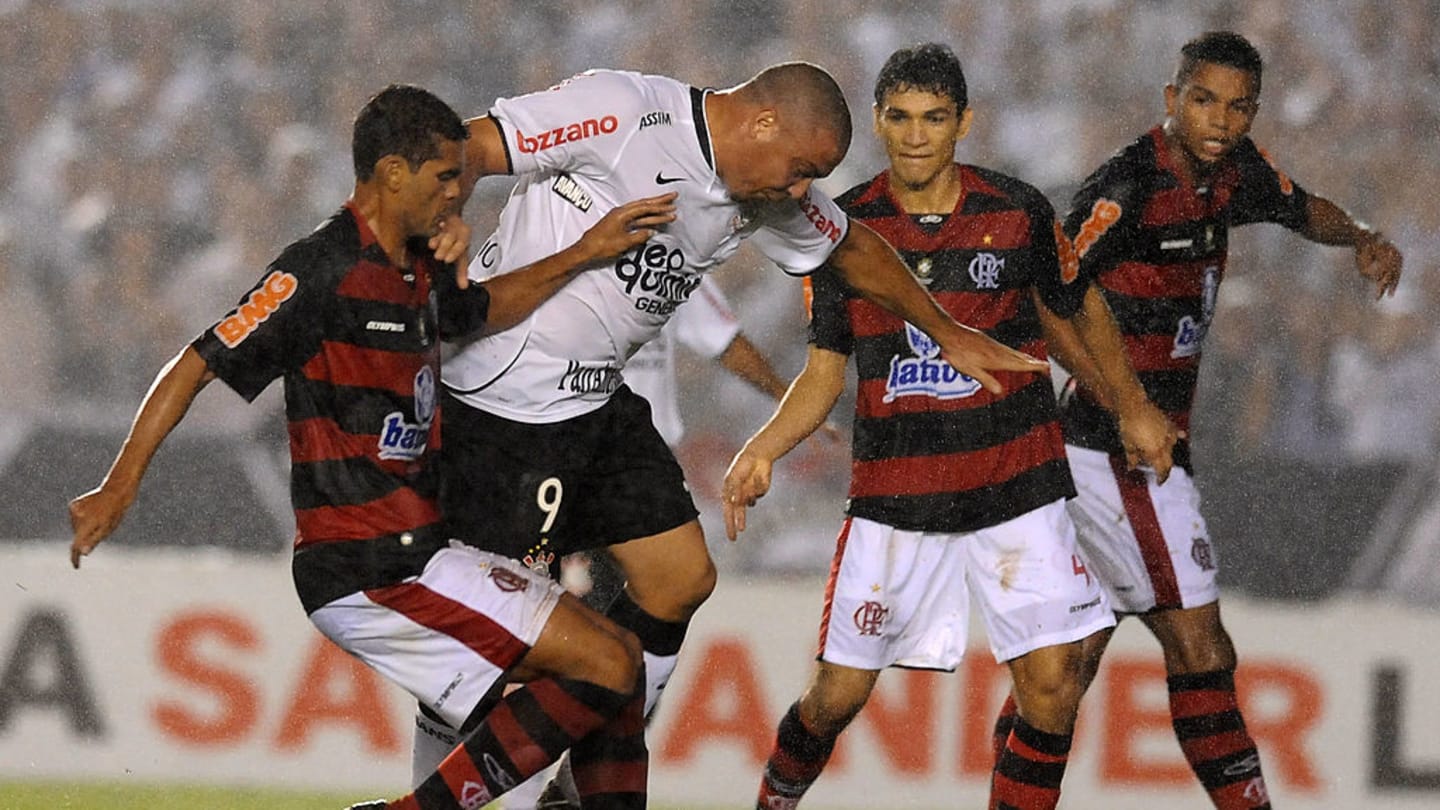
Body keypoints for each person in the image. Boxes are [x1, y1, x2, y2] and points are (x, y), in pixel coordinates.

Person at [421, 60, 1053, 783]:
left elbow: (851, 248)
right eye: (798, 170)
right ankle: (439, 796)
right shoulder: (622, 109)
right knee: (482, 655)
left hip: (595, 405)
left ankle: (575, 785)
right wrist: (441, 226)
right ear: (760, 122)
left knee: (681, 578)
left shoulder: (766, 191)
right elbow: (465, 146)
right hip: (501, 403)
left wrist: (945, 329)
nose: (798, 191)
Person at [65, 84, 683, 810]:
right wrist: (120, 483)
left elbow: (481, 312)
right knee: (606, 665)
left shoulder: (416, 264)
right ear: (393, 173)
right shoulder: (319, 270)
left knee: (617, 667)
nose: (459, 193)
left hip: (424, 554)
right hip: (365, 566)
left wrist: (582, 252)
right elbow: (197, 361)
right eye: (445, 177)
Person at [719, 44, 1177, 810]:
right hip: (898, 499)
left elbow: (1073, 311)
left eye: (934, 118)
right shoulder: (840, 228)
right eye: (899, 117)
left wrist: (1130, 406)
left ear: (964, 121)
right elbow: (826, 371)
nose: (916, 135)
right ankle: (775, 800)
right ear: (877, 121)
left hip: (1017, 486)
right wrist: (763, 447)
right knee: (835, 698)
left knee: (1054, 688)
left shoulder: (1018, 210)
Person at [995, 31, 1404, 810]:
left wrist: (1360, 235)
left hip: (1134, 452)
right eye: (1204, 99)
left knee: (1066, 673)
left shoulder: (1234, 173)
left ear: (1252, 113)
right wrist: (1132, 407)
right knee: (1201, 649)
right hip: (1112, 452)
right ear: (1171, 100)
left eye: (1238, 105)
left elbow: (1298, 206)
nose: (1219, 118)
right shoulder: (1129, 186)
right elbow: (1047, 292)